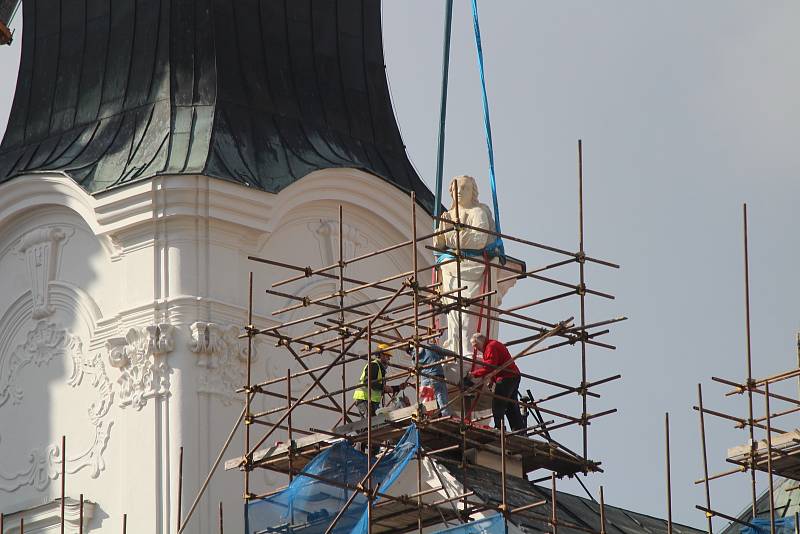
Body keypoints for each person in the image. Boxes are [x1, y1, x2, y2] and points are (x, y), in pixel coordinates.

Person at [432, 176, 495, 364]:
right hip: (451, 267)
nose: (459, 191)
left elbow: (479, 240)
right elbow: (438, 243)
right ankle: (454, 344)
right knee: (453, 311)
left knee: (466, 309)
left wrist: (452, 236)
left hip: (471, 266)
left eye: (465, 188)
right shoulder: (447, 216)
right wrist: (447, 235)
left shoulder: (478, 212)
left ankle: (468, 347)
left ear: (473, 192)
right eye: (456, 188)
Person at [469, 333, 525, 431]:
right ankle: (518, 429)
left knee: (498, 402)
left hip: (506, 377)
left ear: (481, 342)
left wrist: (473, 374)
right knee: (510, 404)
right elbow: (496, 365)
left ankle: (499, 427)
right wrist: (492, 379)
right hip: (512, 376)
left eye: (476, 346)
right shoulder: (491, 346)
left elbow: (490, 366)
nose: (476, 349)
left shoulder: (490, 347)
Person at [353, 343, 409, 418]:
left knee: (373, 424)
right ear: (381, 355)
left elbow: (381, 388)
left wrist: (398, 387)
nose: (389, 359)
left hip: (371, 401)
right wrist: (383, 387)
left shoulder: (380, 369)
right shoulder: (374, 365)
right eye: (387, 356)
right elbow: (368, 382)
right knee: (370, 423)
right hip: (365, 399)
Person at [410, 343, 452, 416]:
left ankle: (426, 416)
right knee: (440, 395)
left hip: (424, 379)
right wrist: (456, 355)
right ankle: (445, 415)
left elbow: (416, 368)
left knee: (426, 400)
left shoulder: (414, 357)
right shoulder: (430, 347)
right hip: (435, 375)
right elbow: (444, 351)